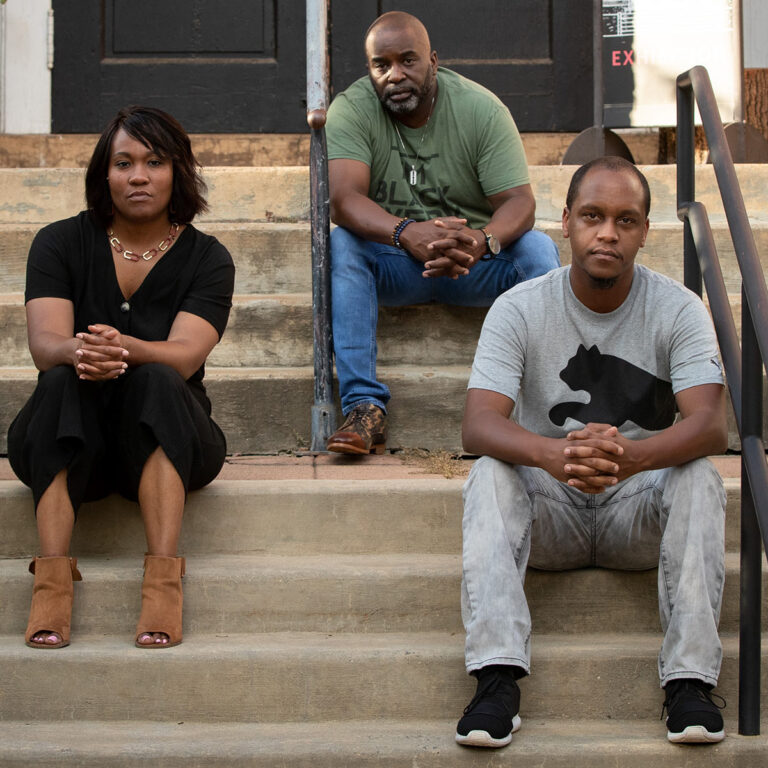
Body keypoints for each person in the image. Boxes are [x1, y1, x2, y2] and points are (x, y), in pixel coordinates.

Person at [456, 157, 728, 747]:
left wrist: (634, 457)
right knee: (489, 475)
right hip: (551, 506)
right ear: (566, 224)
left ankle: (689, 683)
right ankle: (496, 679)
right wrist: (550, 455)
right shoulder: (520, 307)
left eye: (625, 220)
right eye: (593, 216)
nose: (608, 232)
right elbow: (477, 426)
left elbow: (710, 425)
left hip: (638, 509)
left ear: (644, 231)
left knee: (700, 475)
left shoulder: (679, 308)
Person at [8, 106, 235, 650]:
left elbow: (183, 356)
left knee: (160, 379)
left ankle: (162, 582)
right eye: (124, 163)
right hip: (72, 437)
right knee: (61, 379)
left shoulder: (209, 258)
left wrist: (124, 349)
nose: (138, 176)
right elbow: (45, 346)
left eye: (155, 162)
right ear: (103, 175)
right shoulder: (58, 243)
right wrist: (83, 351)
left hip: (168, 439)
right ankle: (52, 581)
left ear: (177, 171)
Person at [324, 11, 560, 454]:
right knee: (344, 243)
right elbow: (345, 200)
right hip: (398, 263)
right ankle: (364, 408)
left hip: (474, 264)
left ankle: (544, 402)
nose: (395, 75)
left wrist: (482, 240)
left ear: (433, 61)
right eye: (381, 65)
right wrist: (405, 231)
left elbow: (519, 202)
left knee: (538, 249)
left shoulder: (479, 109)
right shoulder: (353, 108)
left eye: (408, 61)